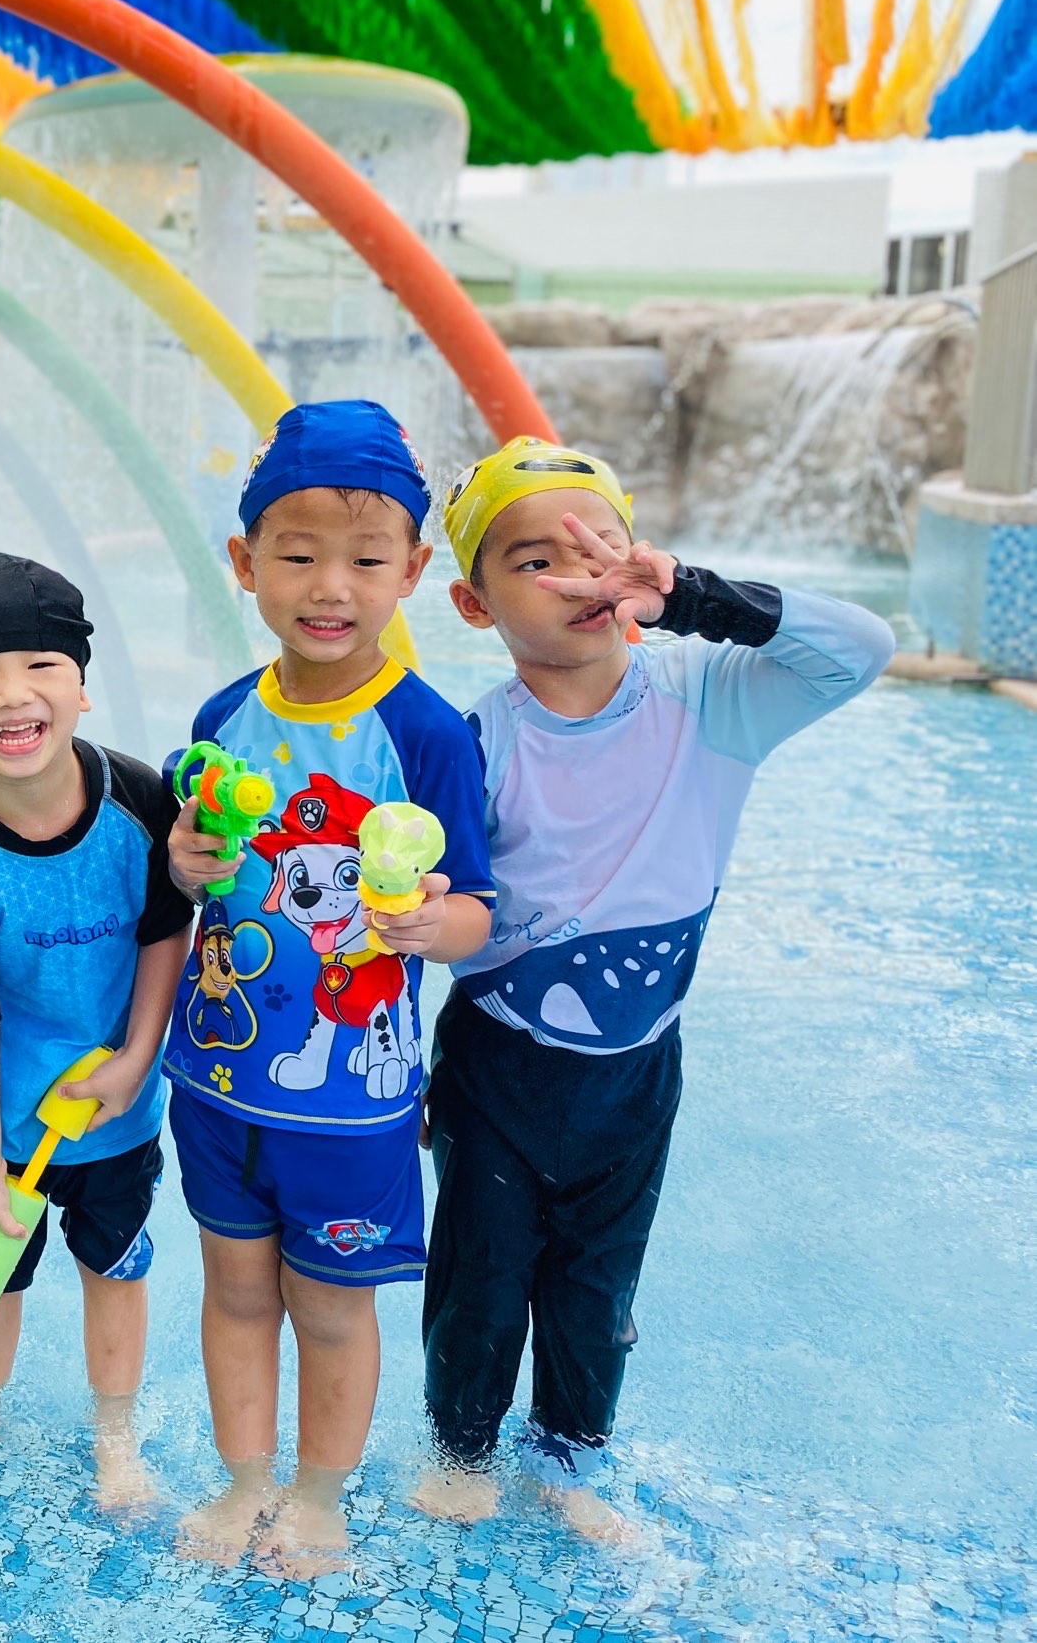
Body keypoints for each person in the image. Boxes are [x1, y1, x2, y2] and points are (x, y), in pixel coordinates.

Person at [415, 440, 893, 1540]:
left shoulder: (709, 700)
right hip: (497, 1061)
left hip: (636, 1071)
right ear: (473, 604)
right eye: (534, 561)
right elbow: (433, 915)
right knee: (480, 1277)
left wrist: (694, 598)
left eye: (599, 547)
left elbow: (862, 649)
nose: (580, 576)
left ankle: (570, 1460)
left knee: (598, 1290)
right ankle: (459, 1452)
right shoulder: (476, 741)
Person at [160, 400, 493, 1577]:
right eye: (297, 556)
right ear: (246, 560)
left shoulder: (425, 733)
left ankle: (315, 1498)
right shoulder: (223, 719)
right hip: (216, 1080)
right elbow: (195, 873)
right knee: (233, 1292)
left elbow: (477, 912)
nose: (329, 587)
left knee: (334, 1307)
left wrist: (428, 923)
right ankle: (243, 1481)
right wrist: (183, 860)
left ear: (413, 568)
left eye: (364, 559)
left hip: (352, 1102)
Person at [0, 554, 192, 1509]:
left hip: (115, 1108)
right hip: (7, 1118)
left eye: (40, 666)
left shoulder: (136, 800)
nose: (12, 693)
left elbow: (166, 933)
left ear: (81, 687)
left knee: (115, 1269)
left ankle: (115, 1435)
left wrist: (137, 1060)